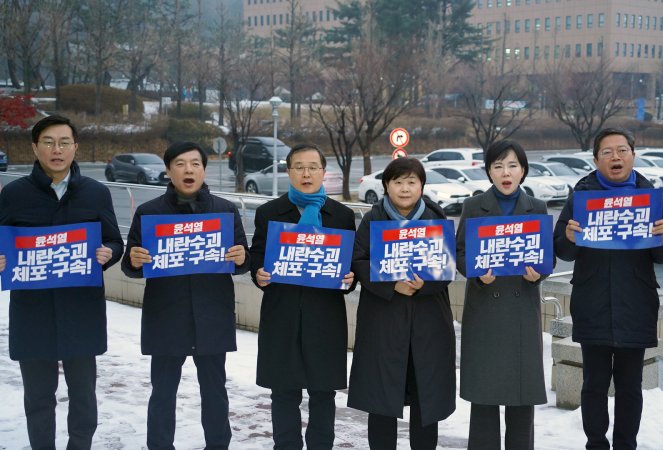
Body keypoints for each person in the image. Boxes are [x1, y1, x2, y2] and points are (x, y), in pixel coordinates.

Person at [0, 115, 124, 449]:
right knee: (38, 396)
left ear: (75, 148)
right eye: (49, 142)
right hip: (32, 312)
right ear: (34, 148)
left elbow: (115, 241)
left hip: (80, 310)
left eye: (64, 143)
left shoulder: (96, 193)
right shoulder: (13, 194)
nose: (57, 150)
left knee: (83, 395)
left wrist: (107, 253)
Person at [553, 127, 663, 450]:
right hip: (593, 303)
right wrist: (567, 236)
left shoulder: (650, 197)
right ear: (596, 160)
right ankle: (595, 444)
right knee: (593, 384)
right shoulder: (582, 196)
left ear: (633, 155)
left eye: (622, 150)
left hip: (635, 305)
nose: (615, 157)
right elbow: (561, 250)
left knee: (629, 387)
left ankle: (626, 445)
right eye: (607, 152)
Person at [121, 141, 249, 450]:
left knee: (214, 390)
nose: (188, 169)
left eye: (195, 163)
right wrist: (134, 260)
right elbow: (129, 265)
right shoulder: (150, 212)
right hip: (166, 315)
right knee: (163, 391)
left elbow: (245, 263)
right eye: (180, 164)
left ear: (204, 170)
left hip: (211, 315)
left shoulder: (225, 210)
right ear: (168, 171)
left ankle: (218, 445)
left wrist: (241, 257)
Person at [249, 143, 356, 449]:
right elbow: (257, 256)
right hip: (282, 316)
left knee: (323, 393)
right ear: (288, 171)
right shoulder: (269, 213)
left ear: (323, 172)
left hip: (325, 319)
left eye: (313, 167)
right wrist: (259, 273)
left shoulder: (341, 215)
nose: (306, 173)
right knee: (283, 392)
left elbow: (350, 266)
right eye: (299, 167)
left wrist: (350, 278)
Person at [348, 157, 456, 450]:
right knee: (382, 400)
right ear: (386, 186)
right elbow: (358, 260)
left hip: (428, 321)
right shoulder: (373, 220)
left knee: (426, 400)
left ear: (422, 185)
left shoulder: (436, 218)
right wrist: (390, 283)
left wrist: (426, 284)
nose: (405, 189)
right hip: (384, 321)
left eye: (411, 182)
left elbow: (448, 265)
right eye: (398, 182)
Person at [456, 140, 552, 450]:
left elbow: (546, 256)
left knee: (521, 402)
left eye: (512, 165)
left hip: (521, 311)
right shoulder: (473, 207)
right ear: (488, 172)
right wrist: (475, 271)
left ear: (523, 170)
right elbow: (459, 253)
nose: (505, 172)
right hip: (485, 312)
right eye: (497, 166)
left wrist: (540, 273)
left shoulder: (536, 208)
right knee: (484, 401)